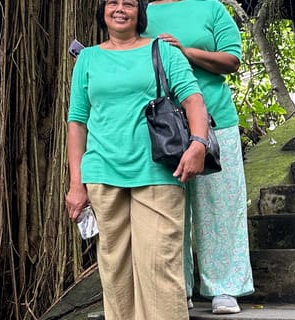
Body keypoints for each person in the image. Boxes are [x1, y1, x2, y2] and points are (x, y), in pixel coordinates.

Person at [65, 0, 211, 319]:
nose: (120, 9)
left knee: (159, 265)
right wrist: (76, 184)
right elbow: (77, 121)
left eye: (128, 3)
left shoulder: (163, 51)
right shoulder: (87, 58)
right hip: (102, 172)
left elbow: (193, 99)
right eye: (112, 2)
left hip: (157, 170)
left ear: (139, 13)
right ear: (103, 11)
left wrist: (198, 143)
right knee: (115, 269)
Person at [142, 0, 254, 315]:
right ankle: (176, 288)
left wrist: (185, 52)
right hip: (161, 126)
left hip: (215, 120)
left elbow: (232, 60)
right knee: (167, 208)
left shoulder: (211, 8)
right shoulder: (141, 12)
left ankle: (224, 287)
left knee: (220, 204)